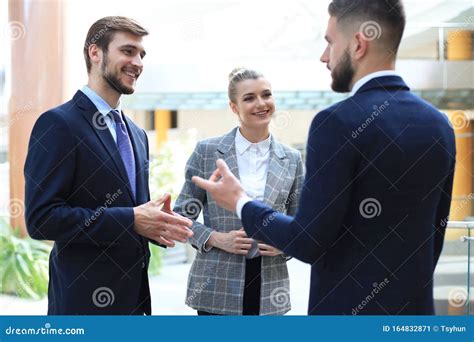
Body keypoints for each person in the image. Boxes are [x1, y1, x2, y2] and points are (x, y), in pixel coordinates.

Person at [192, 0, 456, 315]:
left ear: (358, 44)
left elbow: (308, 241)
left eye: (330, 42)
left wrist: (239, 201)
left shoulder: (336, 122)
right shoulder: (439, 125)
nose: (324, 56)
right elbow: (434, 237)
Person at [24, 16, 193, 315]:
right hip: (83, 306)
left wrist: (153, 224)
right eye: (128, 51)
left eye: (142, 54)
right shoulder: (58, 124)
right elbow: (41, 219)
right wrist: (130, 219)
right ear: (95, 53)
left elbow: (131, 212)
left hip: (135, 303)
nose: (138, 62)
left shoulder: (138, 135)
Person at [174, 68, 304, 315]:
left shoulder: (292, 158)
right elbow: (181, 216)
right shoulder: (207, 152)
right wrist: (216, 238)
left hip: (270, 287)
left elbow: (302, 222)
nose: (261, 103)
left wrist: (286, 244)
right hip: (217, 286)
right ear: (234, 107)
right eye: (249, 98)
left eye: (266, 95)